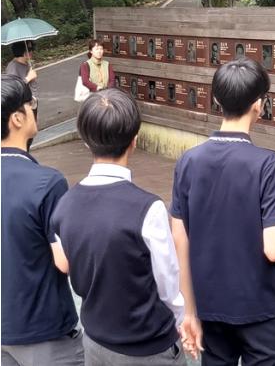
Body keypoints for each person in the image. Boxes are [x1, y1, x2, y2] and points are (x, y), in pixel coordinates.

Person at [50, 89, 200, 365]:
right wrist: (182, 320)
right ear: (134, 141)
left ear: (85, 141)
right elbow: (168, 286)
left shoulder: (64, 205)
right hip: (149, 348)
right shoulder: (148, 208)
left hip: (95, 343)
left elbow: (73, 266)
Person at [171, 57, 275, 366]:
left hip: (211, 308)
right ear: (259, 104)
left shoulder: (188, 161)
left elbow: (180, 241)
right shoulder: (267, 164)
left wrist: (189, 311)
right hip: (263, 311)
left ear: (216, 100)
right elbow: (273, 249)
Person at [1, 75, 84, 366]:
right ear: (17, 118)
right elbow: (65, 260)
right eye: (31, 103)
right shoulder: (47, 182)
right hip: (45, 332)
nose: (35, 108)